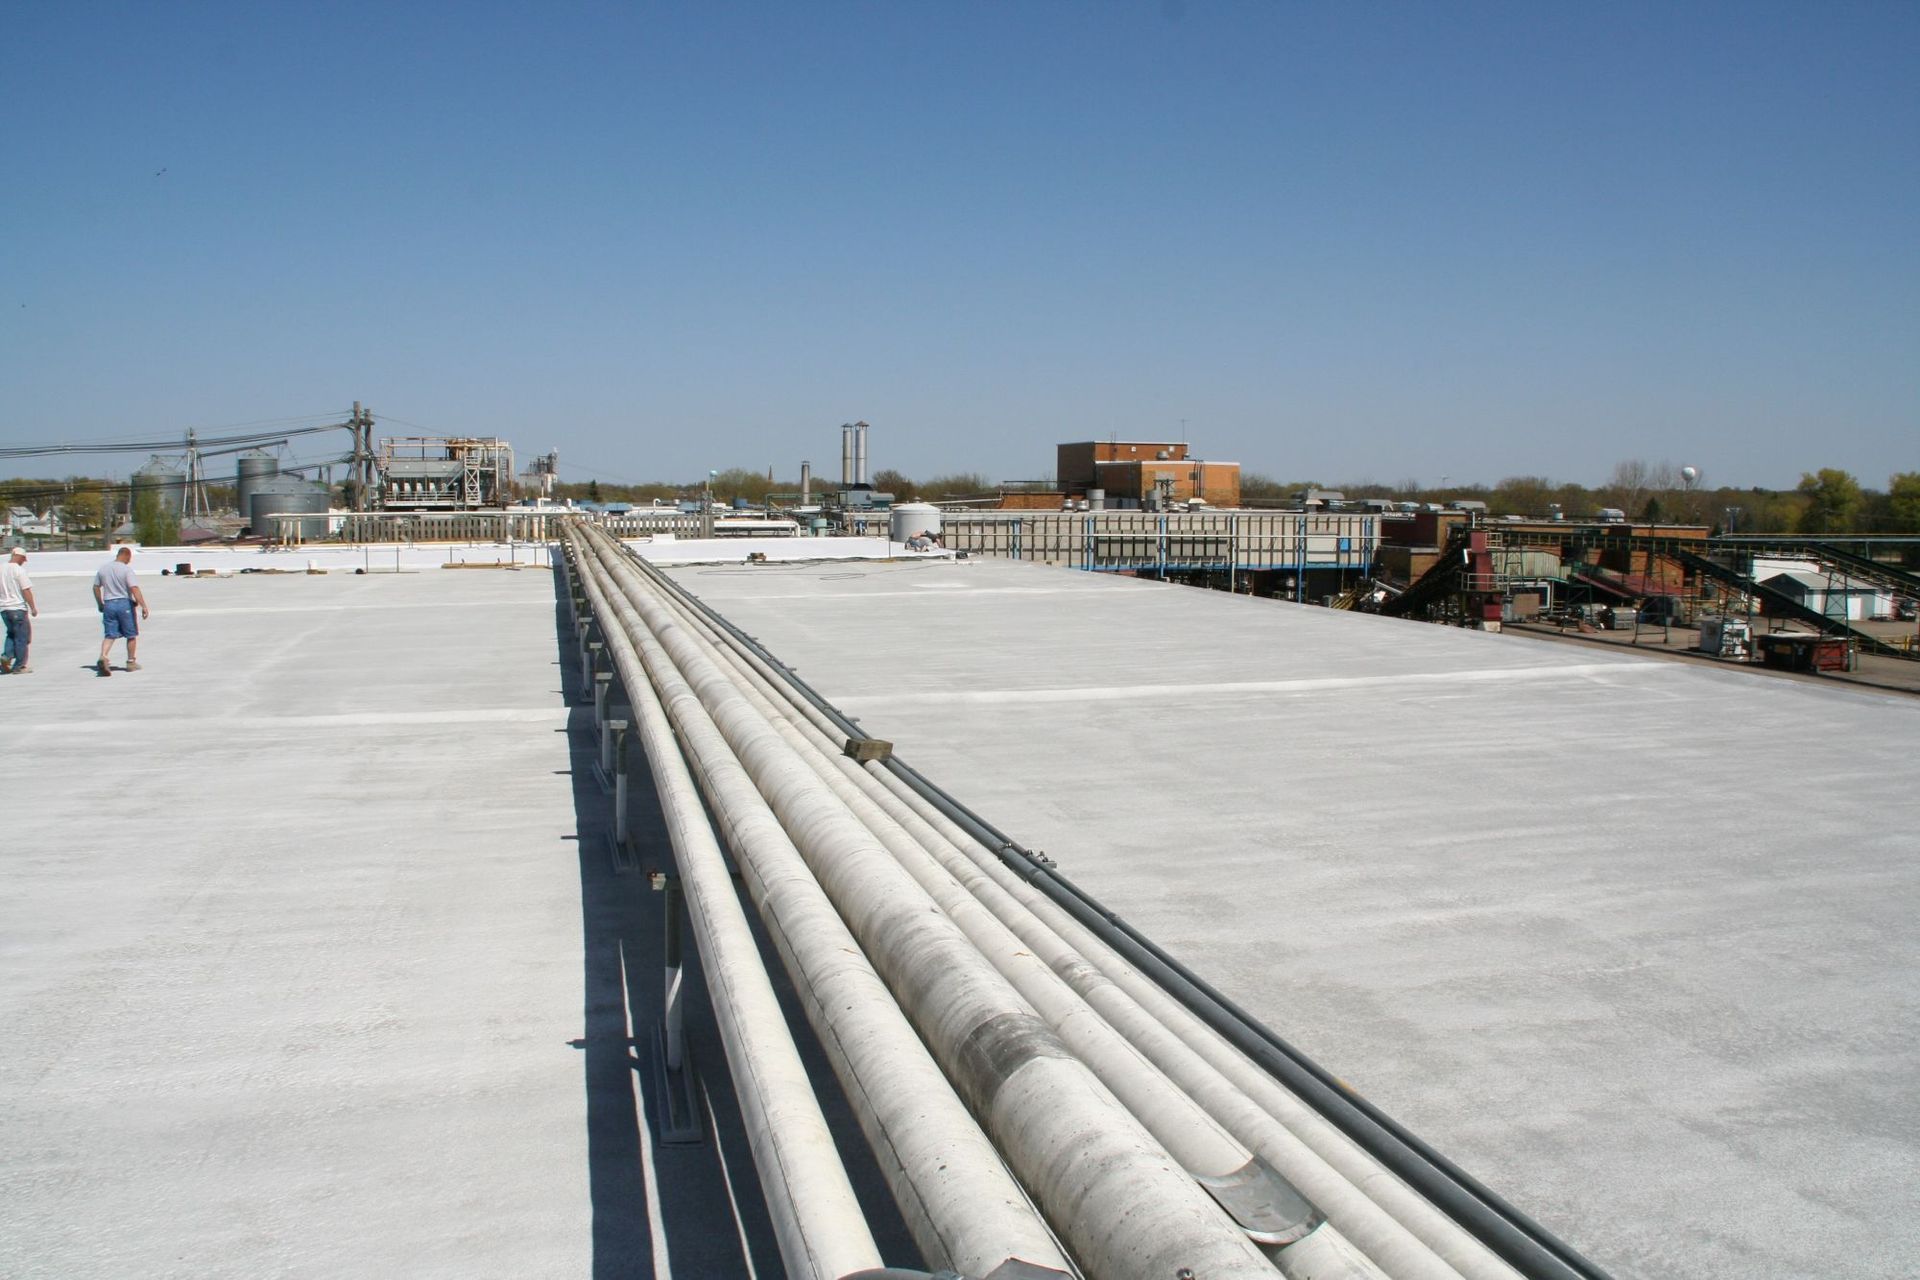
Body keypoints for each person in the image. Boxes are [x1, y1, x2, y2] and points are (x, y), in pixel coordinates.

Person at [93, 545, 150, 676]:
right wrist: (143, 605)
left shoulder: (103, 569)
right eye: (129, 558)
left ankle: (103, 655)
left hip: (109, 604)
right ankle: (131, 662)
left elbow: (96, 587)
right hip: (124, 604)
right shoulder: (126, 570)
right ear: (126, 555)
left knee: (110, 634)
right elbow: (134, 588)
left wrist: (100, 604)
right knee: (131, 634)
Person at [0, 546, 36, 674]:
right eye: (23, 559)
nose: (23, 561)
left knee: (11, 634)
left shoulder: (1, 568)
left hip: (4, 609)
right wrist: (33, 608)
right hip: (17, 608)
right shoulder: (18, 570)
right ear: (19, 556)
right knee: (22, 637)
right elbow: (26, 590)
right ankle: (19, 666)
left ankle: (6, 656)